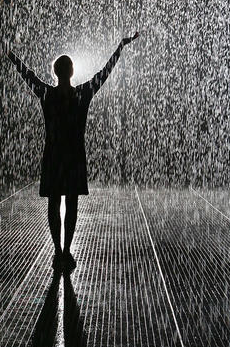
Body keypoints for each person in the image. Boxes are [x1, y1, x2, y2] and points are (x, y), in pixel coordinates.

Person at [7, 34, 139, 270]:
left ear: (55, 73)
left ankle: (57, 251)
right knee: (72, 205)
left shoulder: (47, 94)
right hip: (75, 156)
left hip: (54, 155)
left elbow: (27, 75)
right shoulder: (82, 94)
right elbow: (105, 73)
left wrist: (9, 54)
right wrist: (120, 47)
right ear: (71, 71)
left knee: (54, 203)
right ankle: (67, 250)